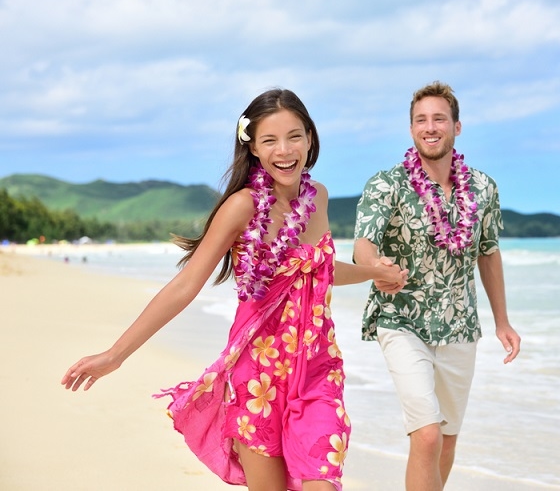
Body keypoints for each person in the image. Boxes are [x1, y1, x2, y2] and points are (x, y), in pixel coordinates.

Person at [62, 88, 408, 491]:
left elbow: (319, 269)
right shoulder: (242, 207)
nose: (284, 149)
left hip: (317, 371)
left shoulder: (320, 198)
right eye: (269, 140)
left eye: (295, 135)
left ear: (310, 138)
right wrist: (115, 355)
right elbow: (186, 285)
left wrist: (372, 273)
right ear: (254, 148)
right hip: (256, 377)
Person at [353, 81, 521, 491]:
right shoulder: (387, 184)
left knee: (445, 441)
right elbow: (362, 245)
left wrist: (502, 321)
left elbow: (488, 252)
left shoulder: (483, 188)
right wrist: (376, 267)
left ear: (456, 127)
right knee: (426, 434)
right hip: (401, 318)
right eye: (421, 120)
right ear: (411, 129)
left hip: (460, 324)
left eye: (439, 119)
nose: (430, 127)